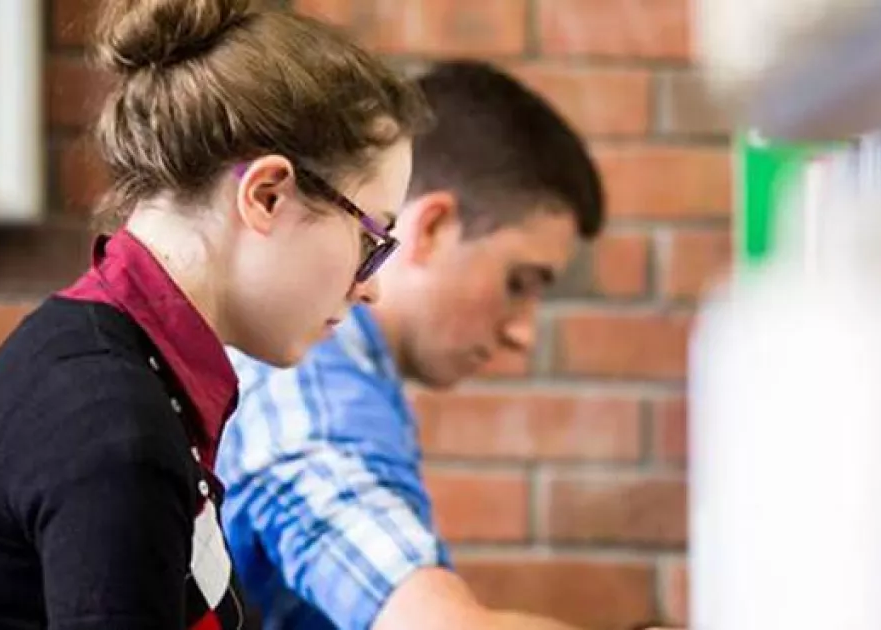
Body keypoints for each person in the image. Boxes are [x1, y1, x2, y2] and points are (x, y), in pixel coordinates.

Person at [0, 0, 430, 627]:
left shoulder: (115, 368)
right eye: (371, 238)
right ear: (266, 196)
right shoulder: (112, 426)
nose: (371, 289)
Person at [216, 61, 626, 630]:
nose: (523, 333)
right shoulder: (309, 386)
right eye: (518, 284)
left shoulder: (356, 378)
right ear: (430, 227)